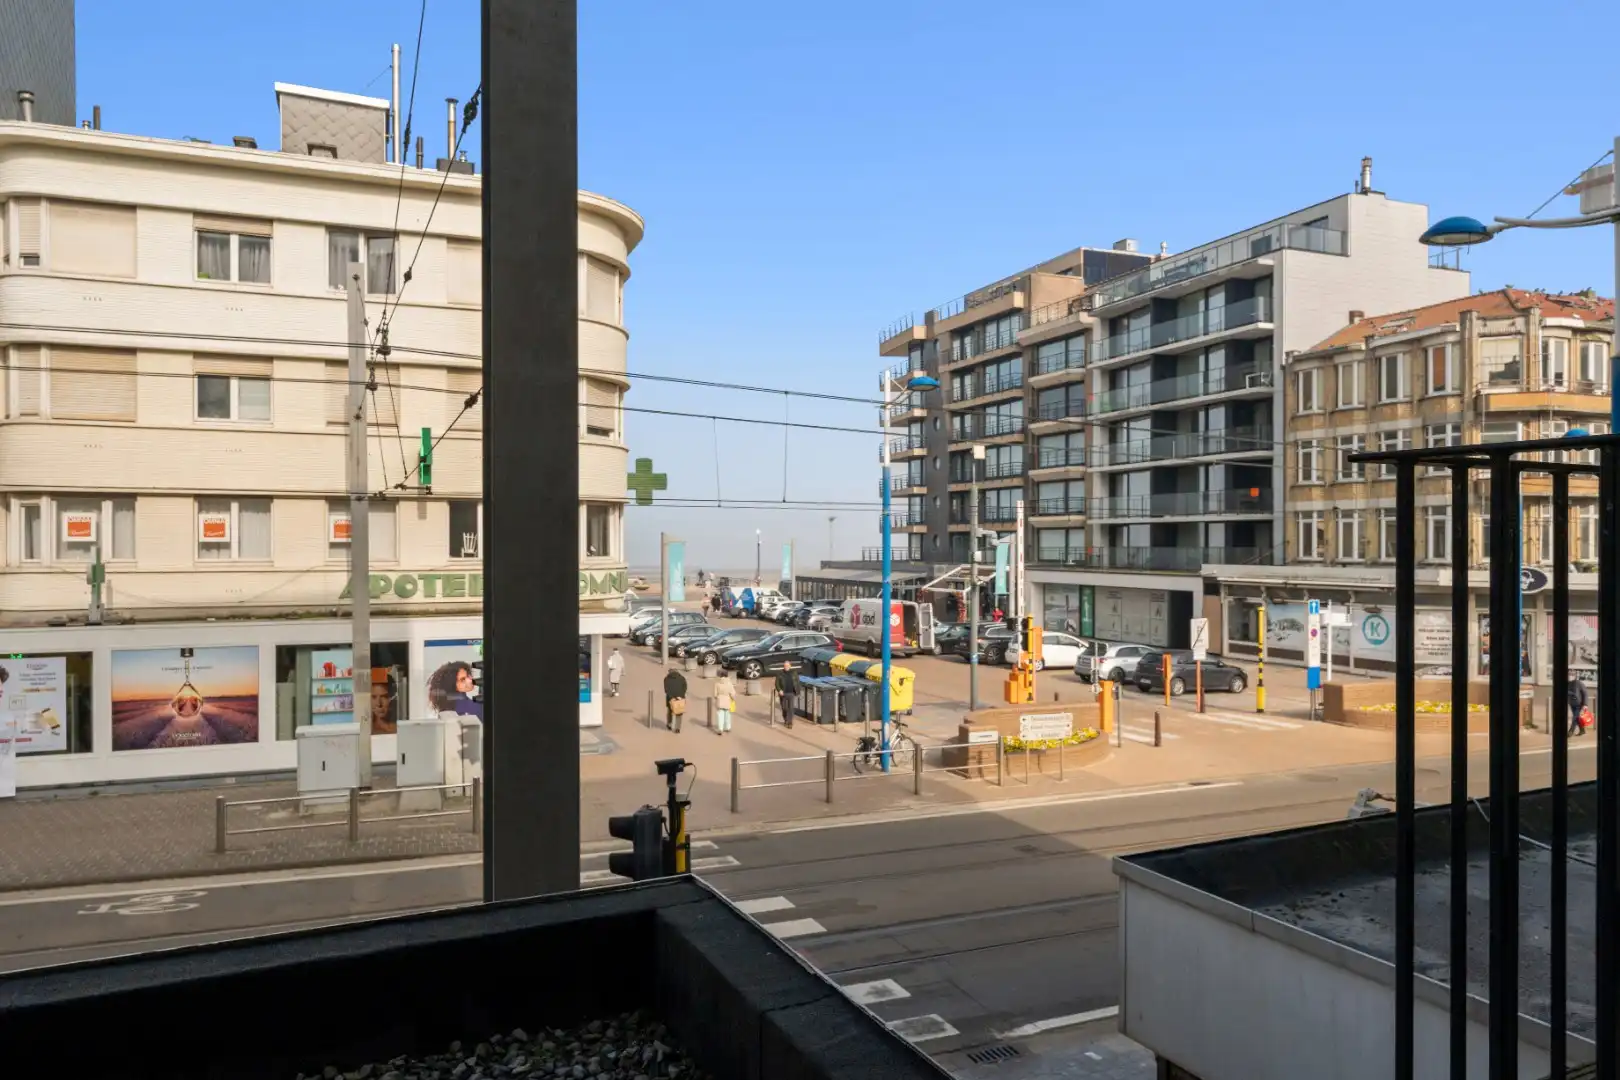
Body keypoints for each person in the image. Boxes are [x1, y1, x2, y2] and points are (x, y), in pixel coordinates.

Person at [774, 664, 800, 728]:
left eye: (787, 666)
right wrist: (779, 690)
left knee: (791, 708)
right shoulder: (780, 673)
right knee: (784, 708)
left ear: (790, 666)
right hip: (783, 694)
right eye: (785, 666)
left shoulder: (794, 673)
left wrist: (797, 690)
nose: (786, 667)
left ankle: (790, 722)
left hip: (791, 693)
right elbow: (777, 683)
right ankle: (786, 720)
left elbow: (797, 682)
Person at [663, 667, 688, 733]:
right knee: (679, 713)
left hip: (670, 698)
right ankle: (677, 728)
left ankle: (669, 724)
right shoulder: (682, 678)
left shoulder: (666, 679)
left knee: (670, 711)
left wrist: (672, 697)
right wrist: (680, 695)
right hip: (680, 698)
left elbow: (666, 690)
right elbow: (685, 687)